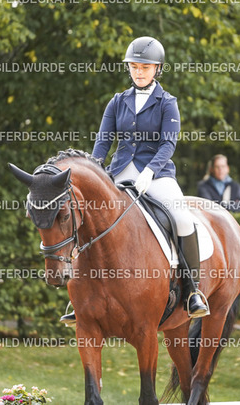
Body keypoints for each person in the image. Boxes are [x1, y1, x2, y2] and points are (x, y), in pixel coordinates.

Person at [60, 36, 209, 325]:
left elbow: (168, 144)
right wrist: (94, 171)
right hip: (119, 172)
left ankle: (193, 290)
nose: (139, 72)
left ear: (157, 69)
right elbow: (103, 142)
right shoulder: (118, 102)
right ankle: (79, 294)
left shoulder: (167, 103)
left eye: (145, 67)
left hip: (156, 173)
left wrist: (150, 172)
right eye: (134, 67)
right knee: (88, 216)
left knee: (182, 218)